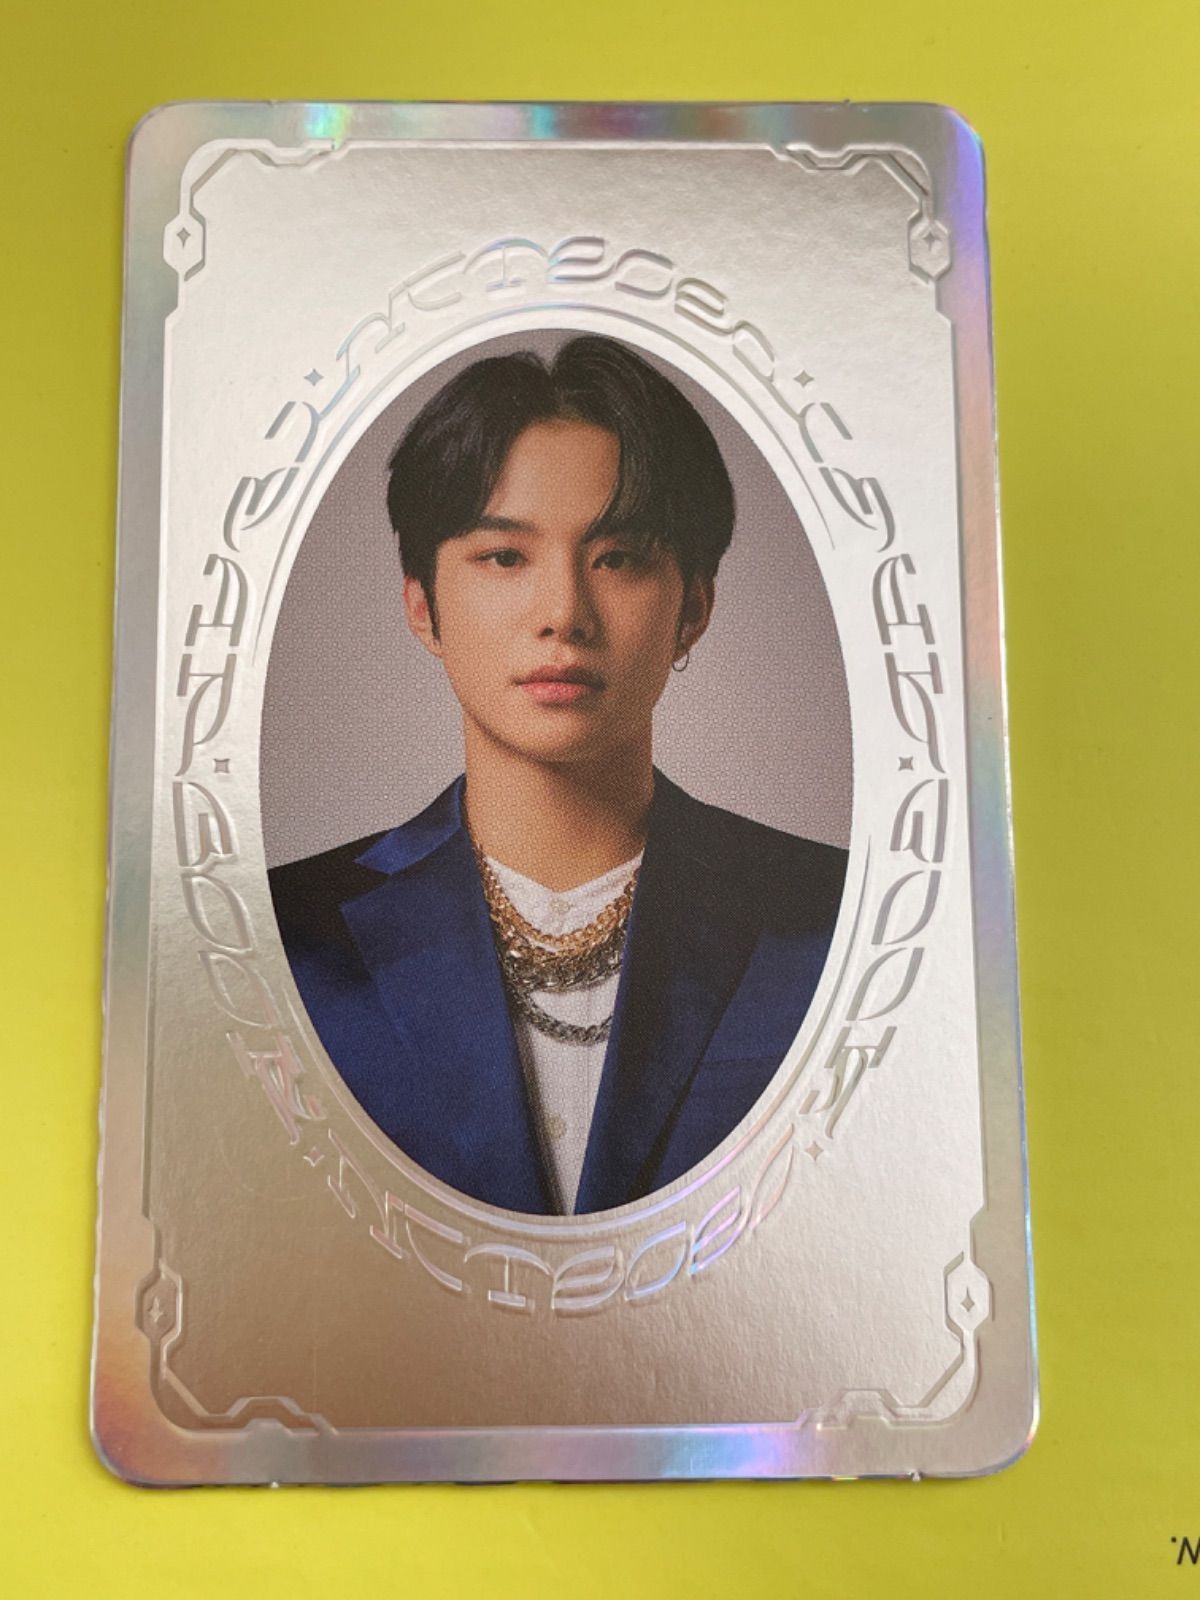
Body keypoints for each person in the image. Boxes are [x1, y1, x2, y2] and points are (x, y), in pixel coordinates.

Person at [269, 335, 847, 1216]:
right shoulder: (286, 938)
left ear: (693, 607)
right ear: (423, 605)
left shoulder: (834, 919)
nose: (564, 613)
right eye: (505, 558)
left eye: (620, 558)